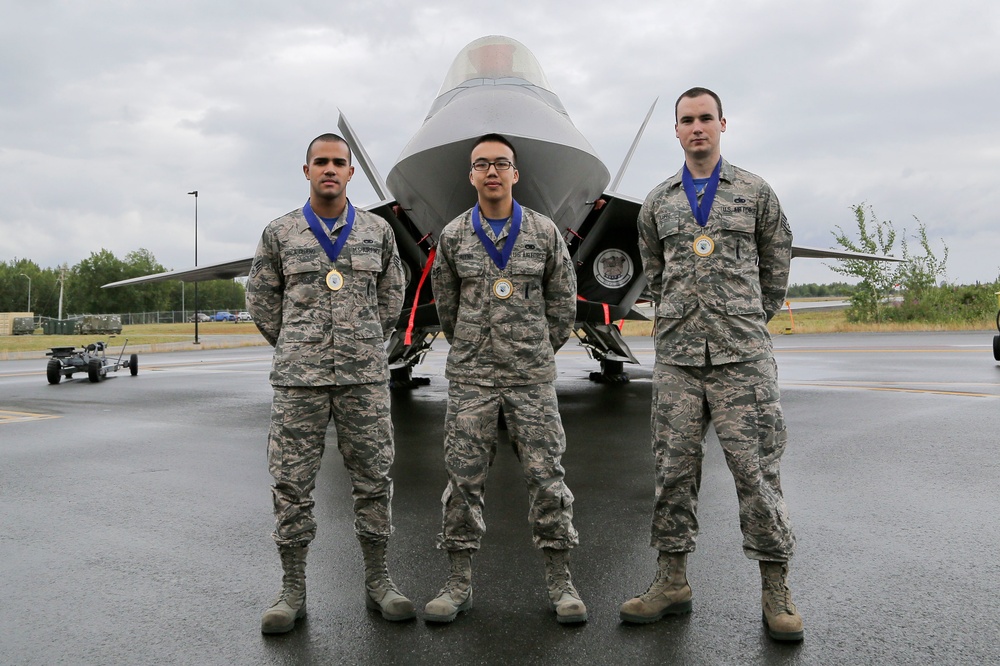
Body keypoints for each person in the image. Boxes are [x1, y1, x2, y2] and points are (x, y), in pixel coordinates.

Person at [620, 88, 803, 641]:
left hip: (741, 360)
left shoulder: (754, 193)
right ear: (676, 131)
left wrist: (746, 318)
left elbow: (777, 262)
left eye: (705, 119)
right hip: (677, 359)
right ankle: (671, 581)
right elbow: (654, 272)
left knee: (757, 476)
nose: (696, 128)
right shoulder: (659, 202)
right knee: (672, 473)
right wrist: (685, 319)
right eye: (686, 120)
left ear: (722, 123)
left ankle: (775, 590)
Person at [247, 133, 411, 634]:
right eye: (321, 162)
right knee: (292, 484)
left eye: (339, 163)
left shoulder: (377, 231)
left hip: (363, 377)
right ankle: (292, 589)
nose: (330, 170)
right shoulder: (281, 233)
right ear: (306, 171)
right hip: (301, 381)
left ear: (351, 172)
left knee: (373, 478)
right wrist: (298, 343)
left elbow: (392, 294)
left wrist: (362, 340)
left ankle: (379, 581)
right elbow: (261, 298)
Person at [424, 133, 586, 624]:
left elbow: (563, 306)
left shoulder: (544, 233)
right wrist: (477, 348)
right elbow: (447, 309)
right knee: (463, 480)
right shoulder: (453, 237)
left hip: (530, 379)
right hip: (473, 377)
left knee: (547, 477)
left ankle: (561, 584)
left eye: (501, 164)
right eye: (482, 165)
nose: (492, 172)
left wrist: (533, 349)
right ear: (471, 175)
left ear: (515, 174)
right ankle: (457, 584)